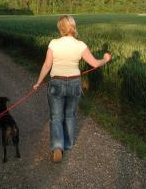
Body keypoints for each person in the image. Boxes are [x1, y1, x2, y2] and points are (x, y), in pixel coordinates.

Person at [32, 15, 111, 163]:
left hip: (56, 83)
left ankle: (57, 146)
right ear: (73, 27)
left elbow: (47, 65)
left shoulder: (53, 43)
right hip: (74, 83)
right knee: (70, 114)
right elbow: (94, 63)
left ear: (60, 28)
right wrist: (105, 59)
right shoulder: (80, 45)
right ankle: (68, 144)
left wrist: (38, 82)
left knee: (56, 116)